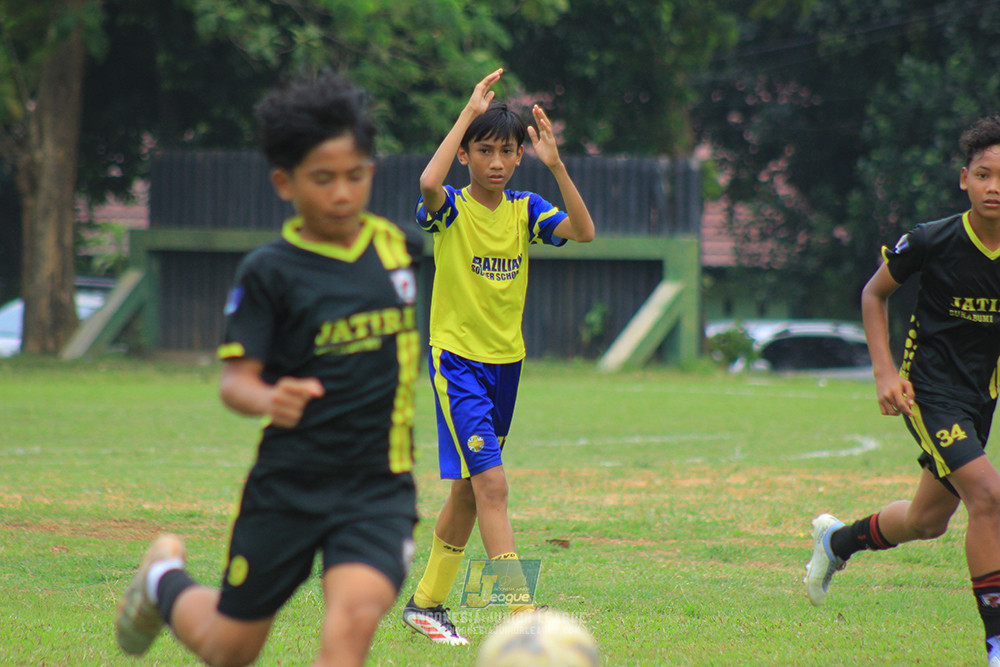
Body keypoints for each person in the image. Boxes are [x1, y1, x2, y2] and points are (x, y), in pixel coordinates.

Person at [113, 70, 420, 667]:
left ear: (371, 173)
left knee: (352, 623)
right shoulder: (270, 272)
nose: (341, 194)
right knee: (230, 649)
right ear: (285, 182)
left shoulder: (399, 248)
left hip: (377, 486)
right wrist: (268, 398)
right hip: (289, 486)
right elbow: (236, 381)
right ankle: (163, 581)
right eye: (323, 179)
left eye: (355, 176)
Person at [400, 68, 595, 645]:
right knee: (493, 488)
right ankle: (521, 620)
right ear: (466, 155)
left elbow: (584, 232)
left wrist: (557, 165)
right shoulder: (452, 209)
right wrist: (466, 113)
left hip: (505, 366)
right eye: (483, 151)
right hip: (456, 362)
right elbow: (426, 182)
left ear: (518, 159)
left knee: (467, 489)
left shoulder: (526, 209)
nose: (495, 162)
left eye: (506, 152)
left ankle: (426, 605)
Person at [805, 113, 1000, 666]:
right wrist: (885, 373)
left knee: (926, 522)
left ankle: (837, 543)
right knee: (989, 496)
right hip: (929, 392)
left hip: (979, 398)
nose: (995, 188)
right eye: (984, 175)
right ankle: (996, 645)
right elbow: (873, 295)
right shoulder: (931, 240)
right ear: (965, 179)